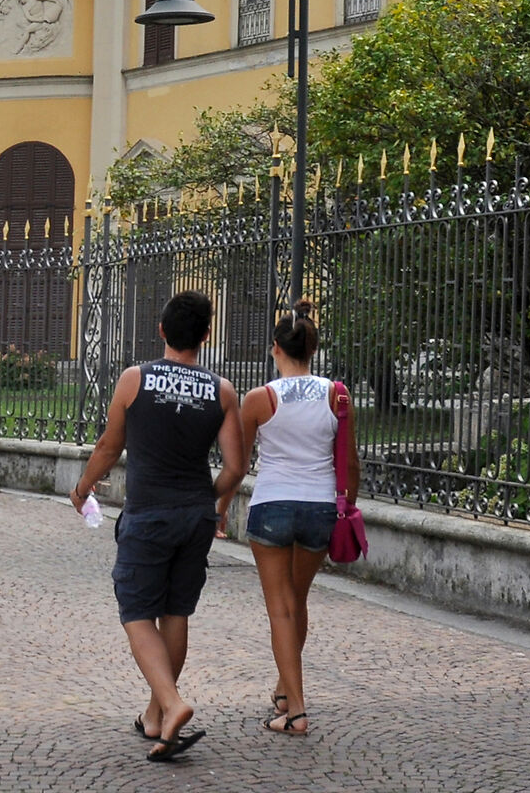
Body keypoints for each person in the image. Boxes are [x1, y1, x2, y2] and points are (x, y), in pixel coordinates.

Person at [69, 289, 248, 760]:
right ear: (206, 337)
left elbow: (110, 445)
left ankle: (172, 702)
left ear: (162, 330)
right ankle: (156, 716)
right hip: (194, 516)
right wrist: (208, 501)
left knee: (135, 610)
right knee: (176, 611)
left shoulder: (135, 380)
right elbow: (235, 467)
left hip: (148, 513)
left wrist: (84, 487)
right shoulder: (223, 391)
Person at [239, 298, 353, 736]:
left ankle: (298, 710)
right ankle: (285, 691)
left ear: (275, 349)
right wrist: (346, 508)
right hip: (321, 507)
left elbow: (239, 460)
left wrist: (218, 505)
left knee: (280, 609)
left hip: (272, 505)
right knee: (297, 601)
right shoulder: (336, 394)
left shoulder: (259, 399)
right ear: (313, 349)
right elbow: (351, 461)